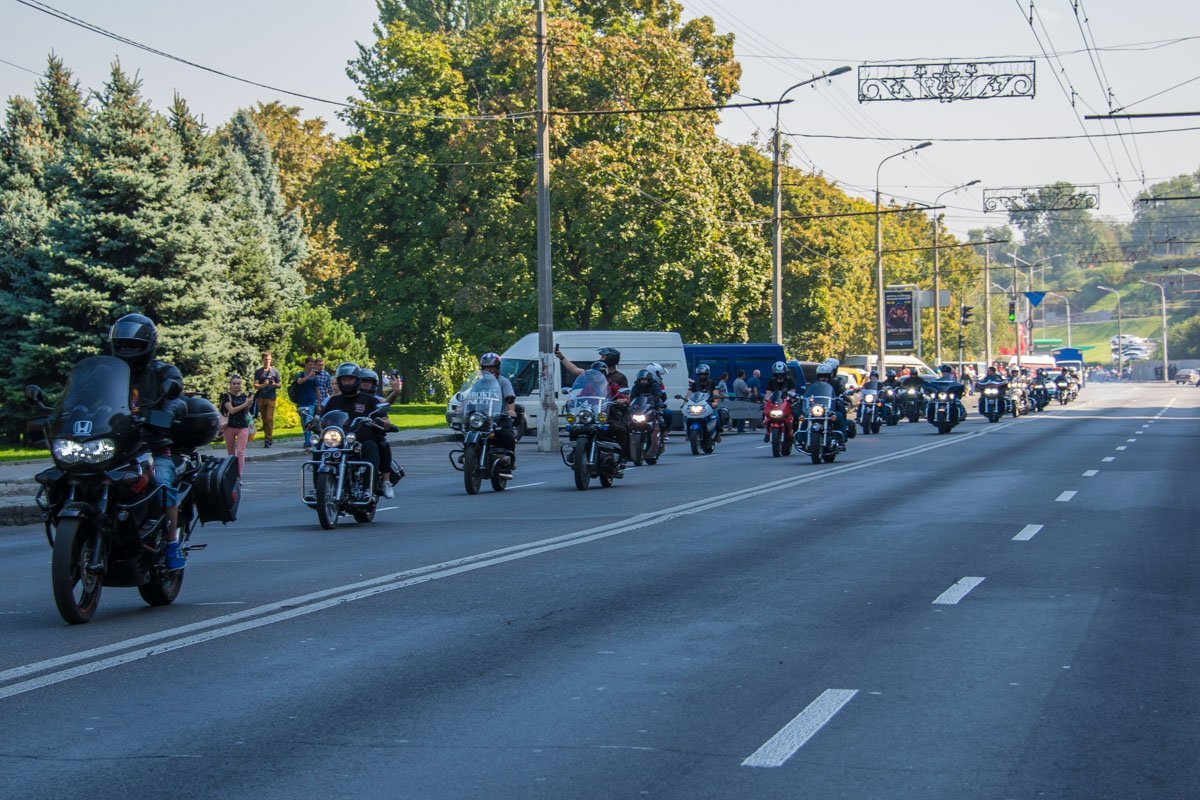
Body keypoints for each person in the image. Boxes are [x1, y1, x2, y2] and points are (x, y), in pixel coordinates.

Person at [109, 313, 187, 569]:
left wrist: (168, 413)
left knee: (161, 483)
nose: (128, 350)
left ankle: (172, 543)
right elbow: (87, 397)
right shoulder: (108, 372)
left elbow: (176, 399)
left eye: (134, 345)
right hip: (114, 449)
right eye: (123, 345)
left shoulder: (163, 372)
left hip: (151, 448)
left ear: (148, 345)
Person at [318, 363, 394, 497]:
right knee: (319, 448)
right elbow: (322, 419)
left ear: (357, 380)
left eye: (350, 379)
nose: (347, 383)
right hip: (338, 441)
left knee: (372, 446)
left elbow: (385, 421)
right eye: (344, 380)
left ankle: (369, 488)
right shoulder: (333, 401)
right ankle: (318, 490)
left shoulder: (370, 401)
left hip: (361, 441)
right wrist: (315, 423)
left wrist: (380, 422)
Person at [358, 368, 400, 493]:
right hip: (351, 435)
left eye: (369, 381)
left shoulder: (376, 400)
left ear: (374, 384)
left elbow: (385, 405)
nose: (366, 384)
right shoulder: (348, 398)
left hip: (370, 434)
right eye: (363, 381)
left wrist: (396, 392)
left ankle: (386, 481)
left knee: (383, 444)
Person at [479, 352, 519, 479]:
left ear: (497, 368)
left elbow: (510, 398)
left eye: (491, 367)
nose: (489, 370)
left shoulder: (503, 382)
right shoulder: (479, 383)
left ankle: (509, 464)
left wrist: (510, 410)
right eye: (486, 368)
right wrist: (460, 407)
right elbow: (469, 396)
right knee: (468, 433)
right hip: (482, 418)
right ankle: (470, 455)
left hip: (499, 417)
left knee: (508, 436)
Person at [220, 374, 253, 476]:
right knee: (231, 454)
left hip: (243, 426)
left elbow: (246, 411)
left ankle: (239, 475)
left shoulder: (244, 397)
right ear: (230, 385)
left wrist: (249, 404)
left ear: (241, 385)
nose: (236, 386)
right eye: (234, 383)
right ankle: (232, 474)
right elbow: (232, 410)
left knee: (240, 452)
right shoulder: (226, 396)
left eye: (238, 384)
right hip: (229, 427)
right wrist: (246, 404)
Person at [691, 364, 729, 438]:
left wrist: (715, 402)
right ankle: (688, 431)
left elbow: (715, 393)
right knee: (687, 415)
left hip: (709, 404)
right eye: (700, 374)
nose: (702, 376)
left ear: (707, 374)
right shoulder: (694, 384)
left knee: (716, 415)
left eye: (704, 374)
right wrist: (685, 403)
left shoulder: (712, 383)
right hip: (697, 405)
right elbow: (690, 393)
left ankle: (718, 432)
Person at [252, 351, 281, 448]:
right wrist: (263, 385)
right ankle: (266, 438)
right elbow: (255, 385)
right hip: (261, 398)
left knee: (269, 418)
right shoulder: (258, 372)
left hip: (271, 398)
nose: (267, 361)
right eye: (266, 359)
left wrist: (274, 384)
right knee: (264, 419)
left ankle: (269, 439)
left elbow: (279, 385)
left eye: (269, 359)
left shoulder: (275, 371)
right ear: (262, 360)